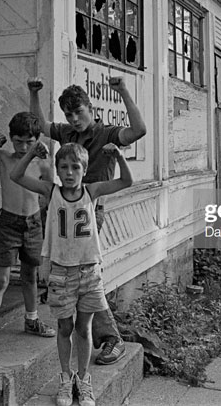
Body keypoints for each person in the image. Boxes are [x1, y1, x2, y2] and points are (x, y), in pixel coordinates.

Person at [28, 75, 146, 365]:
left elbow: (139, 130)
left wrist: (123, 92)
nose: (74, 119)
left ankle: (111, 338)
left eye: (78, 112)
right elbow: (39, 126)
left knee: (88, 278)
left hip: (91, 212)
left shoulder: (106, 133)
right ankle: (97, 336)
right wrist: (34, 93)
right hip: (64, 210)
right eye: (69, 114)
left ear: (90, 108)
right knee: (76, 277)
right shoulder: (68, 132)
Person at [10, 141, 133, 406]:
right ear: (57, 169)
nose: (68, 172)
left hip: (89, 271)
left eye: (75, 167)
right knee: (64, 327)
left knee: (84, 327)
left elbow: (126, 181)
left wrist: (120, 157)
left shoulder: (92, 191)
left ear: (84, 169)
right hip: (61, 272)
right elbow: (16, 176)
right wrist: (31, 153)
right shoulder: (50, 190)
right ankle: (66, 378)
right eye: (63, 167)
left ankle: (84, 379)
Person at [0, 112, 57, 362]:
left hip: (32, 222)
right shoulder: (3, 156)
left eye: (28, 142)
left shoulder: (42, 163)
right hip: (8, 222)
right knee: (0, 280)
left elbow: (52, 191)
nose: (22, 147)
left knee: (30, 275)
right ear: (11, 138)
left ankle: (32, 319)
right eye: (18, 141)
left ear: (37, 140)